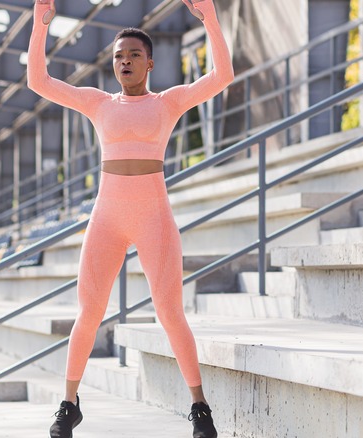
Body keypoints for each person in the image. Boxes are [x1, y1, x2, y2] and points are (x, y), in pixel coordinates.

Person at [27, 0, 233, 436]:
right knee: (89, 311)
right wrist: (40, 24)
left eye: (134, 55)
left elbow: (222, 77)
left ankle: (199, 407)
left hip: (153, 216)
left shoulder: (169, 102)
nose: (125, 61)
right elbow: (38, 81)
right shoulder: (99, 103)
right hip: (107, 217)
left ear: (150, 63)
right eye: (119, 55)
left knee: (170, 311)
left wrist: (210, 19)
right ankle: (68, 404)